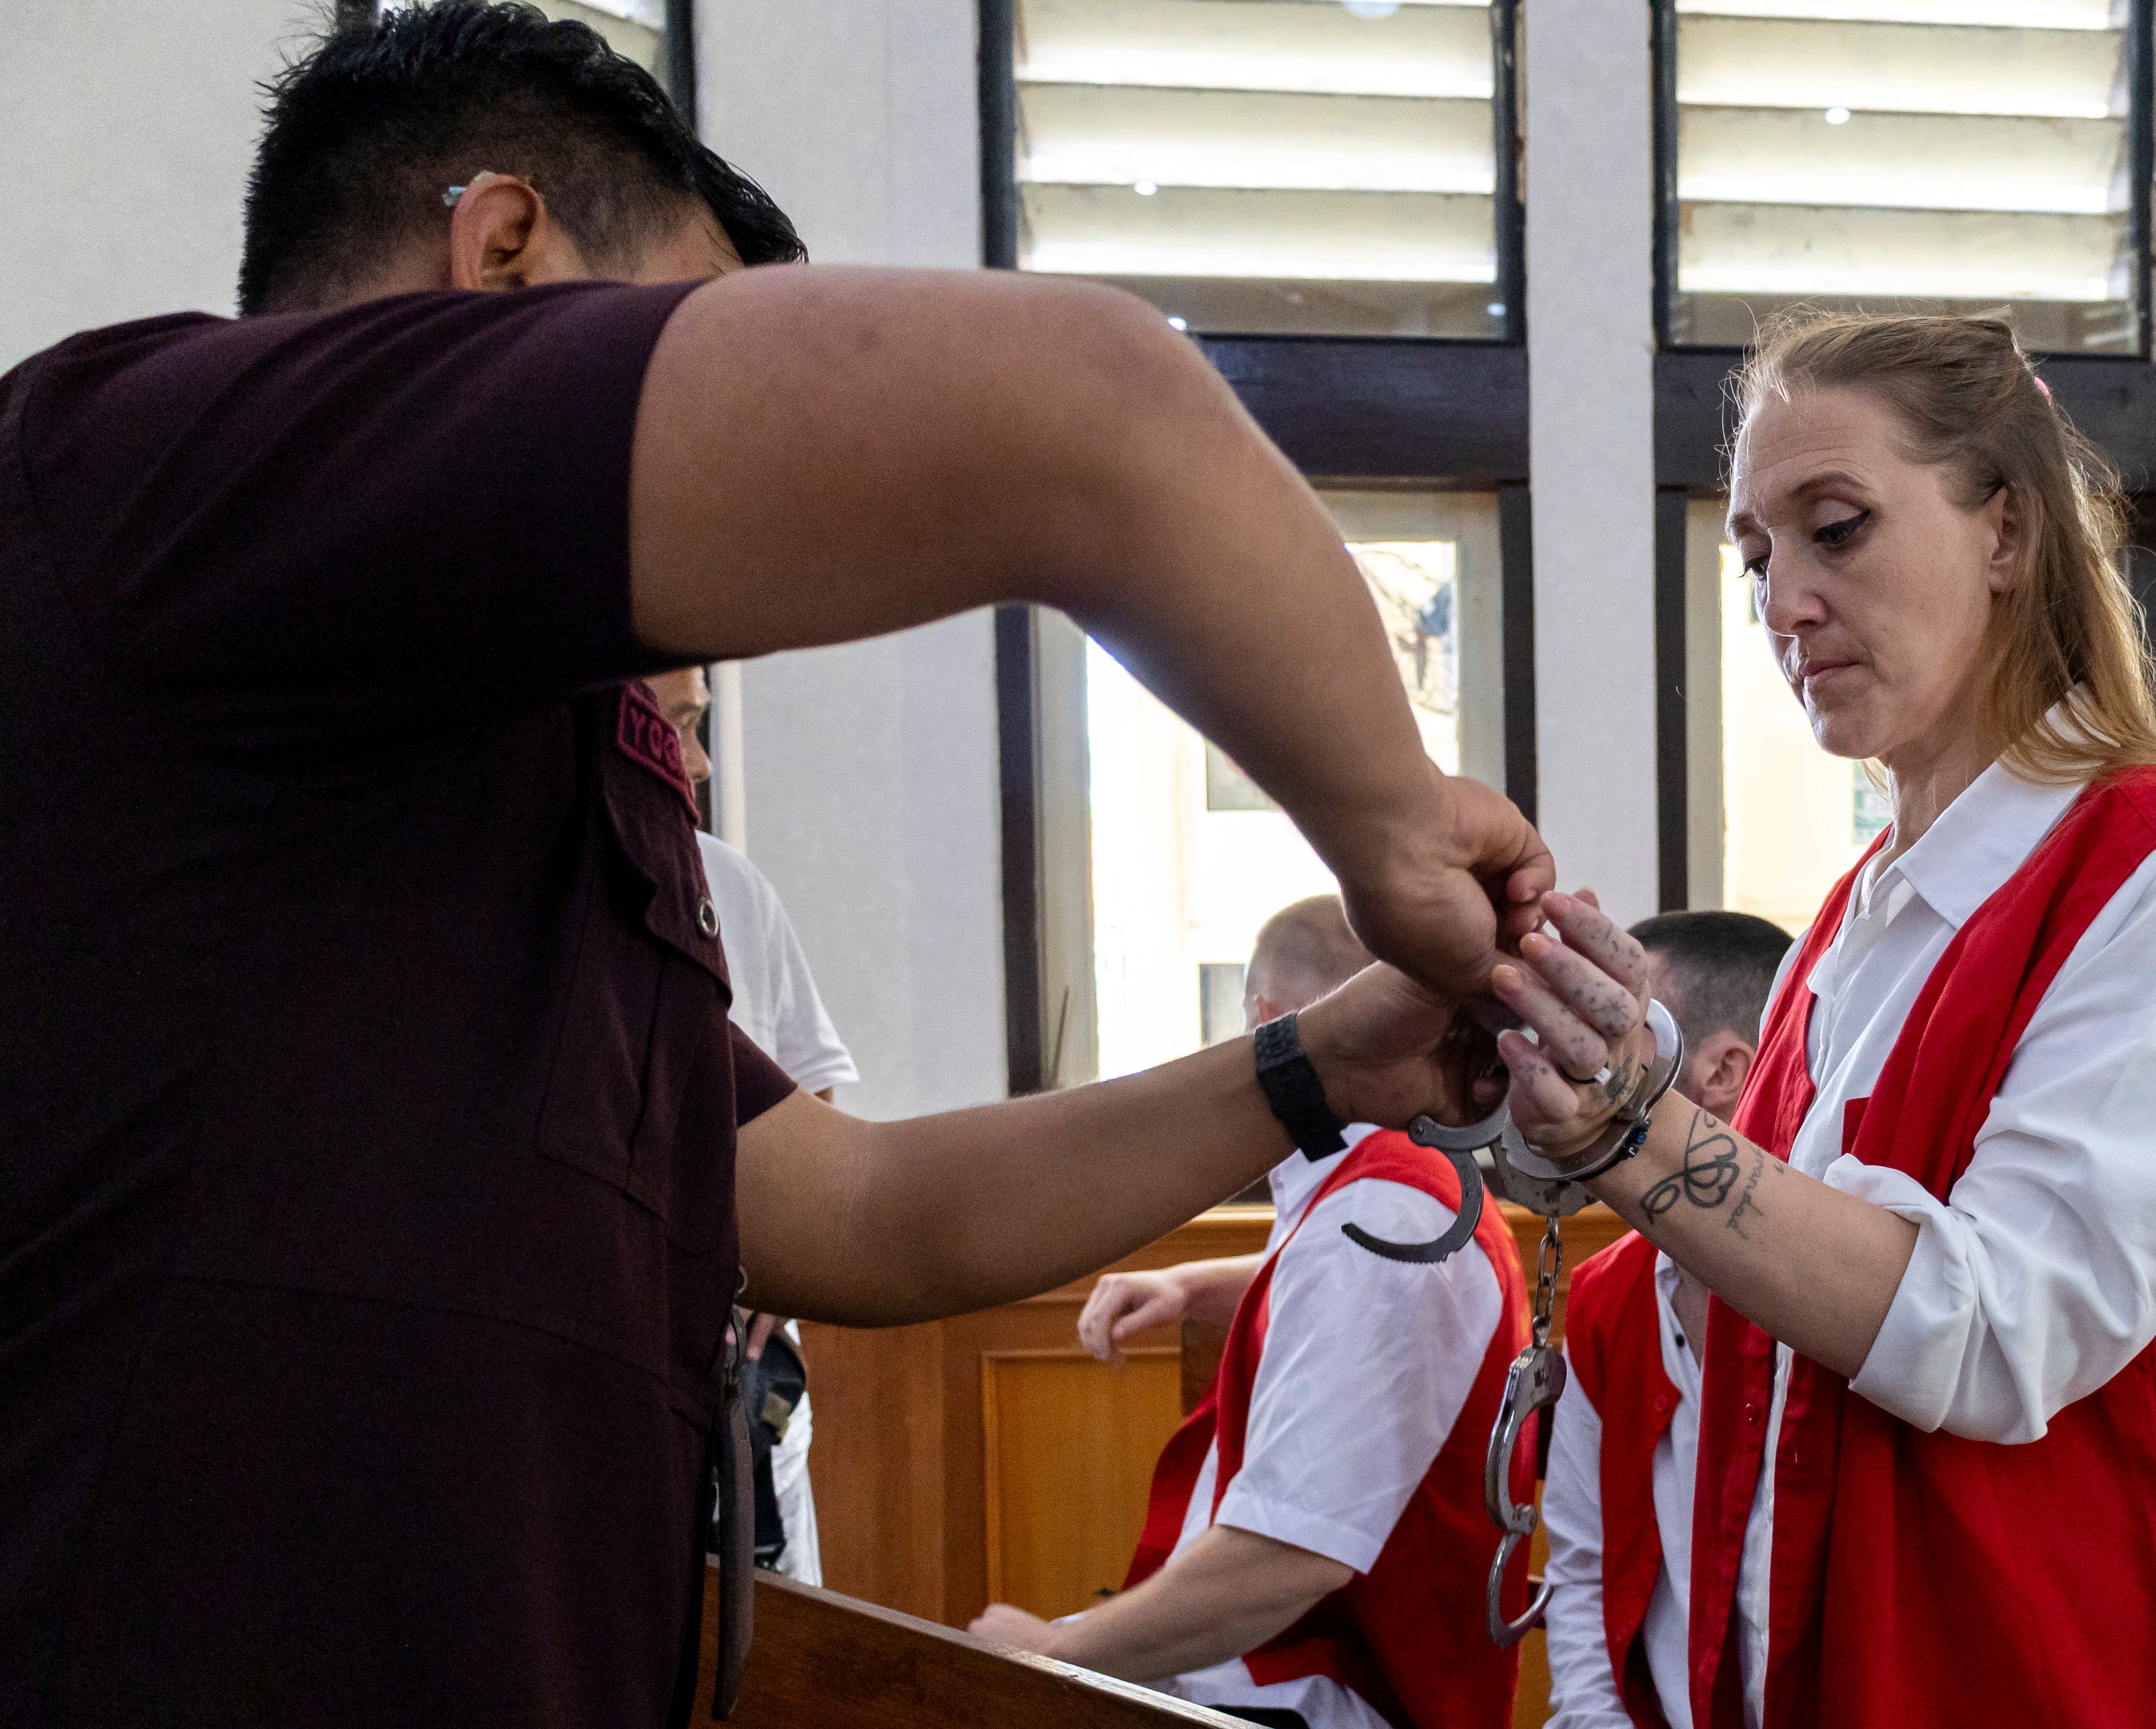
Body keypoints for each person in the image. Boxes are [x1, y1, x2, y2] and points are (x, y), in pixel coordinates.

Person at [0, 6, 1554, 1724]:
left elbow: (858, 1210)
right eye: (688, 335)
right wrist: (1404, 837)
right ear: (502, 252)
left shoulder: (529, 775)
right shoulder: (150, 471)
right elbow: (1096, 413)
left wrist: (1319, 1059)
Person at [1468, 314, 2156, 1727]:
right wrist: (1578, 1076)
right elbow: (1754, 1347)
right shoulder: (1848, 922)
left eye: (1837, 529)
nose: (1784, 602)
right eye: (1758, 557)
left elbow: (1989, 1337)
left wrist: (1641, 1130)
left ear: (2005, 529)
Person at [970, 896, 1529, 1729]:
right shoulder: (1387, 1192)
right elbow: (1332, 1286)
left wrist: (1049, 1657)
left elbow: (1284, 1562)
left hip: (1314, 1695)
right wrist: (1198, 1283)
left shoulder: (1386, 1220)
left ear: (1265, 1020)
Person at [1541, 912, 1792, 1729]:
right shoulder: (1609, 1297)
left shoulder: (1835, 1303)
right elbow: (1579, 1567)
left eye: (1621, 1025)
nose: (1579, 1053)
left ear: (1722, 1068)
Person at [646, 665, 855, 1586]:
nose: (696, 764)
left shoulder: (731, 886)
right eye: (676, 727)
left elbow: (817, 1092)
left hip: (751, 1381)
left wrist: (790, 1242)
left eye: (703, 726)